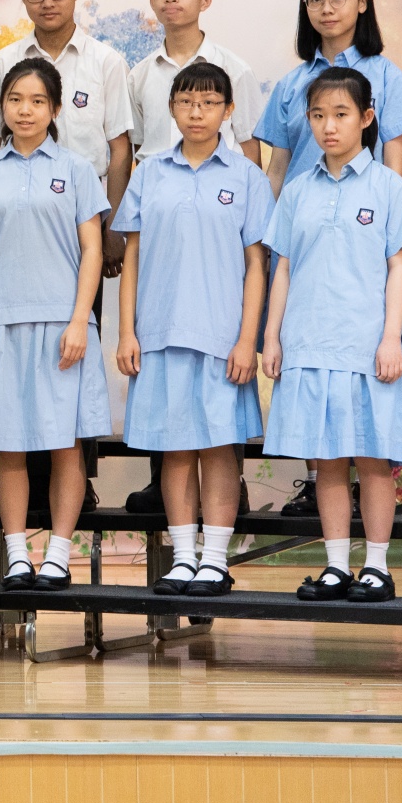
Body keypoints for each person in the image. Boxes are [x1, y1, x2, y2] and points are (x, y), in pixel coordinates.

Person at [253, 0, 402, 517]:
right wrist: (266, 243)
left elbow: (394, 162)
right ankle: (316, 480)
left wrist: (383, 233)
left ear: (362, 2)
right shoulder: (291, 83)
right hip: (302, 241)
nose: (326, 9)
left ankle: (361, 489)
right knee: (306, 362)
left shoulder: (384, 74)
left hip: (361, 238)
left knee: (360, 363)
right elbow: (277, 169)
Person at [113, 62, 272, 597]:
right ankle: (183, 558)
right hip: (159, 333)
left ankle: (215, 560)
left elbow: (256, 265)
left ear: (229, 110)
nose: (196, 112)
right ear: (171, 108)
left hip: (223, 337)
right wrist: (127, 332)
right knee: (175, 448)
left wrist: (247, 339)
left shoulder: (246, 177)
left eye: (208, 102)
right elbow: (132, 257)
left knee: (219, 447)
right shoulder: (150, 172)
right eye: (185, 102)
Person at [263, 68, 402, 603]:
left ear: (367, 118)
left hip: (366, 344)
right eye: (318, 115)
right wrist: (272, 337)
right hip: (308, 341)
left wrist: (390, 338)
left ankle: (376, 567)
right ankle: (335, 566)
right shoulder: (297, 191)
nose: (328, 127)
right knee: (326, 460)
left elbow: (399, 266)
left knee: (373, 458)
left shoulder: (389, 188)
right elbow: (283, 268)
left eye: (341, 114)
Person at [0, 59, 111, 592]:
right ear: (1, 106)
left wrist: (80, 320)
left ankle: (59, 555)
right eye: (15, 99)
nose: (25, 110)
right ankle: (18, 554)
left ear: (56, 109)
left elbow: (92, 251)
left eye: (38, 101)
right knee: (9, 445)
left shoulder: (77, 170)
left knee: (66, 443)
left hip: (62, 324)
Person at [0, 0, 133, 282]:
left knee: (81, 309)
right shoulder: (2, 63)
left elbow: (120, 149)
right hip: (14, 207)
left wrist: (112, 227)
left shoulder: (106, 63)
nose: (47, 3)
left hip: (85, 211)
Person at [126, 0, 262, 166]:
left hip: (219, 184)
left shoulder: (235, 70)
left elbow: (249, 148)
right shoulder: (138, 76)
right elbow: (140, 148)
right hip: (158, 185)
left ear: (205, 0)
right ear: (152, 1)